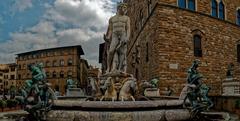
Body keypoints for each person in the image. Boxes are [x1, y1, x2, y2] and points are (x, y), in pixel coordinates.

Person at [104, 2, 130, 73]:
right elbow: (110, 30)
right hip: (115, 35)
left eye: (125, 8)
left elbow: (128, 29)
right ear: (119, 8)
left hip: (123, 34)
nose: (125, 9)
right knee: (111, 51)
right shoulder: (111, 19)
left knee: (122, 53)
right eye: (124, 7)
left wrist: (127, 38)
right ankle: (108, 68)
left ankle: (119, 69)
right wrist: (108, 38)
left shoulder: (127, 18)